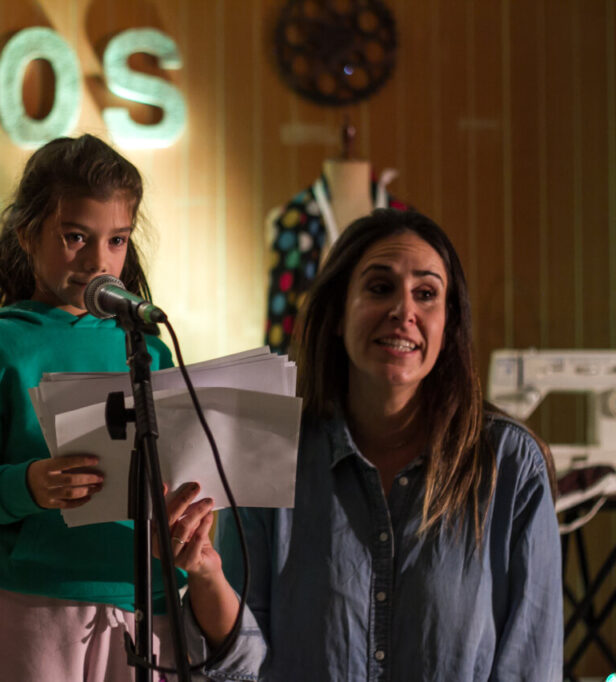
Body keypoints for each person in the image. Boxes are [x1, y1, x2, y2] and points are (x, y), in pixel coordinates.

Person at [169, 208, 563, 680]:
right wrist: (206, 573)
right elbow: (241, 667)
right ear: (337, 314)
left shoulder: (511, 467)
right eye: (380, 288)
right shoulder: (271, 450)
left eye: (426, 294)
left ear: (448, 323)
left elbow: (530, 667)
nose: (404, 311)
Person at [0, 134, 177, 681]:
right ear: (28, 233)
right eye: (76, 236)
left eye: (117, 240)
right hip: (38, 606)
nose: (99, 260)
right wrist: (29, 484)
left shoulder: (148, 347)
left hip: (156, 601)